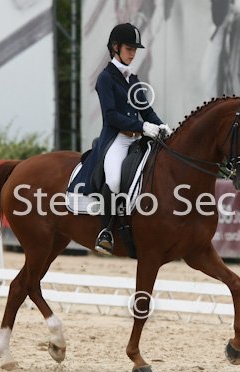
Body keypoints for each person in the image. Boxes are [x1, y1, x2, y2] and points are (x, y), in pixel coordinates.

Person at [91, 22, 172, 255]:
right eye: (129, 48)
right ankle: (105, 231)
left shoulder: (133, 78)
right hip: (116, 139)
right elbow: (111, 115)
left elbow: (146, 110)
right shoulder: (105, 78)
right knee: (115, 180)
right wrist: (142, 126)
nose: (133, 53)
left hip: (137, 140)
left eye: (135, 49)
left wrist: (162, 126)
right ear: (115, 47)